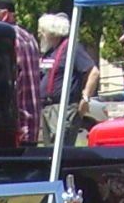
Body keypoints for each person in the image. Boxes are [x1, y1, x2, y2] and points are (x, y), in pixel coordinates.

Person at [0, 0, 43, 147]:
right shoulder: (29, 37)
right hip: (30, 126)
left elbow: (7, 85)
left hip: (15, 129)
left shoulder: (7, 41)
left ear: (3, 15)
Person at [37, 13, 99, 145]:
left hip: (63, 108)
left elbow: (93, 72)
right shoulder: (50, 51)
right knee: (50, 151)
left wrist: (86, 97)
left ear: (53, 32)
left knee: (59, 149)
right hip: (48, 108)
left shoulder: (72, 48)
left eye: (43, 31)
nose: (40, 34)